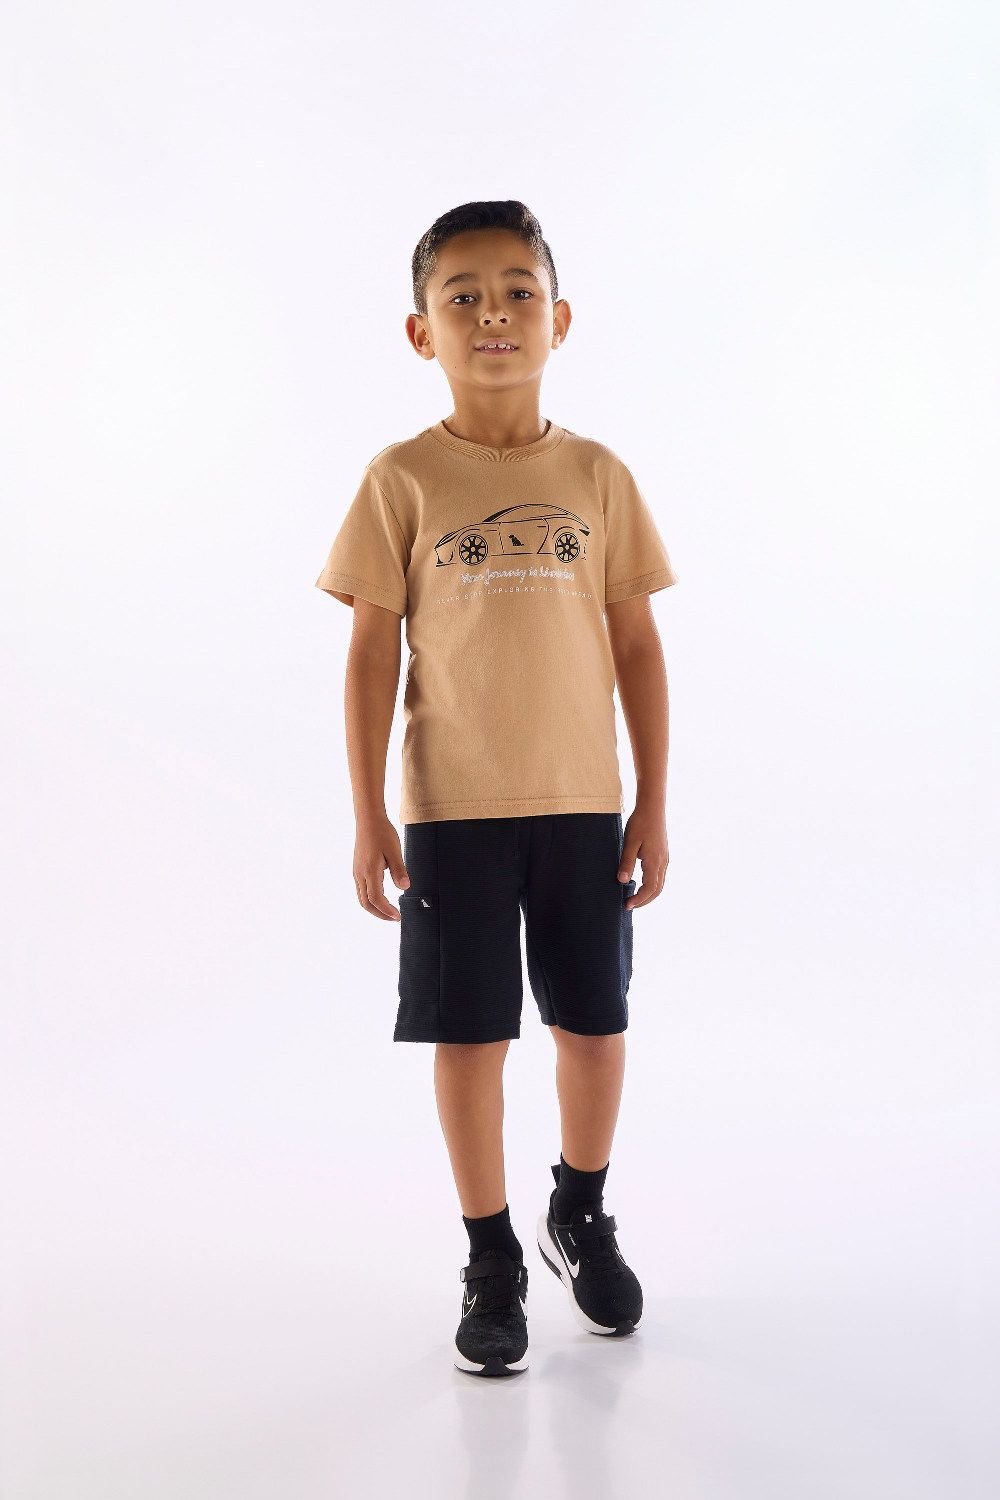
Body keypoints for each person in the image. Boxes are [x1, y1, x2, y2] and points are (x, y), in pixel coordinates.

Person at [314, 200, 678, 1378]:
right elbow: (369, 653)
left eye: (519, 291)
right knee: (470, 1038)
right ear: (420, 332)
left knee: (594, 1027)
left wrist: (651, 798)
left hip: (581, 804)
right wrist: (367, 811)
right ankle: (490, 1258)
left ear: (559, 319)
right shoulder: (401, 479)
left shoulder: (597, 475)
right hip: (451, 813)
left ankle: (579, 1209)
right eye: (461, 295)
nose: (493, 315)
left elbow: (636, 646)